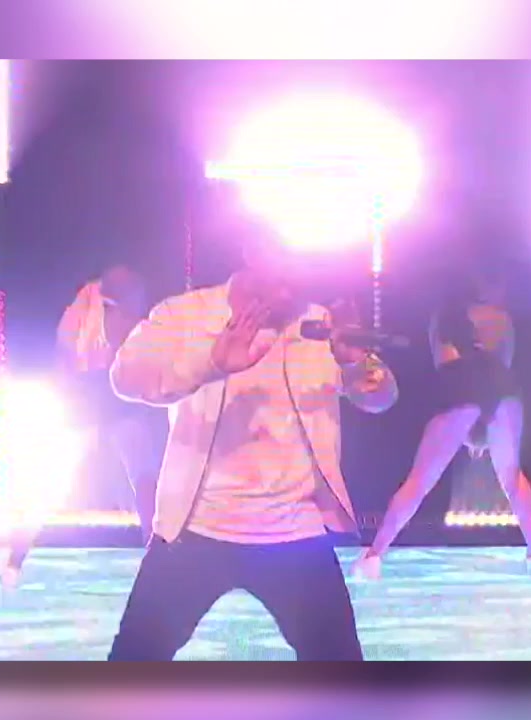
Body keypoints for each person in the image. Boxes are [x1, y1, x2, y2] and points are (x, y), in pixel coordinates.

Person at [105, 236, 399, 661]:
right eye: (281, 275)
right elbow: (125, 377)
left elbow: (382, 398)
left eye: (299, 278)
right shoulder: (185, 314)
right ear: (252, 253)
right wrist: (210, 362)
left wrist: (355, 362)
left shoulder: (320, 324)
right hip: (196, 529)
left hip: (294, 533)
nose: (290, 291)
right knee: (133, 663)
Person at [353, 264, 531, 579]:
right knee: (512, 476)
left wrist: (468, 425)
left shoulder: (443, 317)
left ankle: (374, 556)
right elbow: (501, 366)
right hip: (502, 385)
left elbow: (448, 371)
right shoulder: (500, 318)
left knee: (420, 480)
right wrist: (480, 429)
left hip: (461, 383)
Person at [0, 264, 162, 589]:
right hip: (88, 391)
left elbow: (135, 358)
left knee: (143, 476)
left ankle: (157, 560)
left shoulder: (131, 318)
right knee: (51, 476)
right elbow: (64, 357)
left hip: (116, 390)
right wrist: (70, 394)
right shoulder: (85, 307)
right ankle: (15, 558)